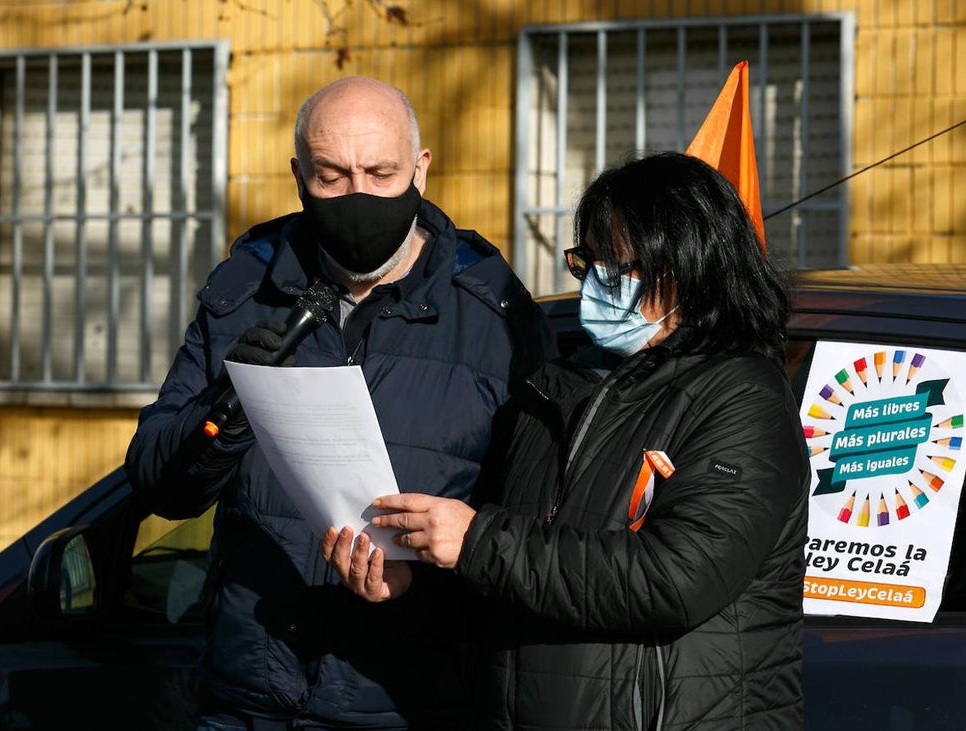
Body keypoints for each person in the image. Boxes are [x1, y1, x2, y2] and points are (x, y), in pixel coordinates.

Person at [124, 75, 554, 730]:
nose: (358, 196)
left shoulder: (495, 316)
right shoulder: (244, 289)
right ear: (298, 175)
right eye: (332, 175)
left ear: (421, 168)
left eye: (381, 173)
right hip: (248, 701)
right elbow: (158, 479)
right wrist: (229, 405)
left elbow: (541, 538)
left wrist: (422, 587)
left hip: (412, 704)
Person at [325, 151, 812, 729]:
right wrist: (416, 583)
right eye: (588, 262)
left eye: (618, 267)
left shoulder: (739, 395)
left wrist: (475, 540)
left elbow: (677, 578)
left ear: (687, 267)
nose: (596, 285)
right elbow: (516, 579)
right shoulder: (556, 390)